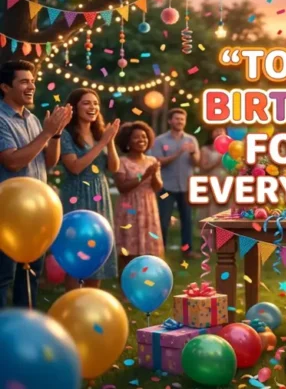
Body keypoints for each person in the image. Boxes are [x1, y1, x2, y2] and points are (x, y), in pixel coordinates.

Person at [0, 61, 71, 307]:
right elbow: (12, 162)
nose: (31, 86)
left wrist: (56, 134)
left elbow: (49, 161)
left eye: (32, 81)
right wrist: (46, 133)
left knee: (30, 276)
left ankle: (25, 333)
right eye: (23, 81)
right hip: (9, 214)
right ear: (5, 87)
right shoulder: (1, 119)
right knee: (3, 277)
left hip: (37, 214)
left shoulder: (32, 118)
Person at [59, 88, 120, 290]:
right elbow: (75, 166)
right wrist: (102, 142)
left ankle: (90, 305)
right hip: (77, 196)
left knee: (97, 254)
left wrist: (109, 142)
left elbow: (114, 167)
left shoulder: (99, 133)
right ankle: (72, 306)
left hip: (99, 195)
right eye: (86, 103)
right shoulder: (66, 134)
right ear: (75, 107)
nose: (92, 107)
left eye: (95, 103)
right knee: (77, 255)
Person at [150, 108, 201, 258]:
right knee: (163, 220)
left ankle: (187, 250)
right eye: (177, 119)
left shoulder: (191, 140)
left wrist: (192, 153)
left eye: (182, 119)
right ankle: (160, 250)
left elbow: (196, 163)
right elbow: (159, 162)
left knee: (187, 220)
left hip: (186, 187)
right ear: (170, 121)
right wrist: (179, 152)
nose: (179, 122)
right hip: (166, 187)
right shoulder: (160, 140)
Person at [114, 121, 164, 271]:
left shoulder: (152, 160)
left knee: (149, 249)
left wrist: (154, 174)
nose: (142, 140)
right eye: (136, 137)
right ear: (127, 141)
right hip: (129, 208)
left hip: (148, 207)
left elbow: (157, 186)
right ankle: (126, 287)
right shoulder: (122, 161)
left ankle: (146, 283)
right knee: (128, 250)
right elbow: (121, 187)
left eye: (144, 137)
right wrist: (144, 175)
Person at [198, 127, 229, 220]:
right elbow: (204, 167)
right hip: (212, 181)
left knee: (225, 206)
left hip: (226, 182)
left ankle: (225, 231)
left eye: (221, 130)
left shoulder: (230, 149)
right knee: (212, 207)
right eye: (216, 130)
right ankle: (210, 231)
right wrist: (217, 161)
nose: (219, 132)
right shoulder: (205, 149)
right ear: (211, 134)